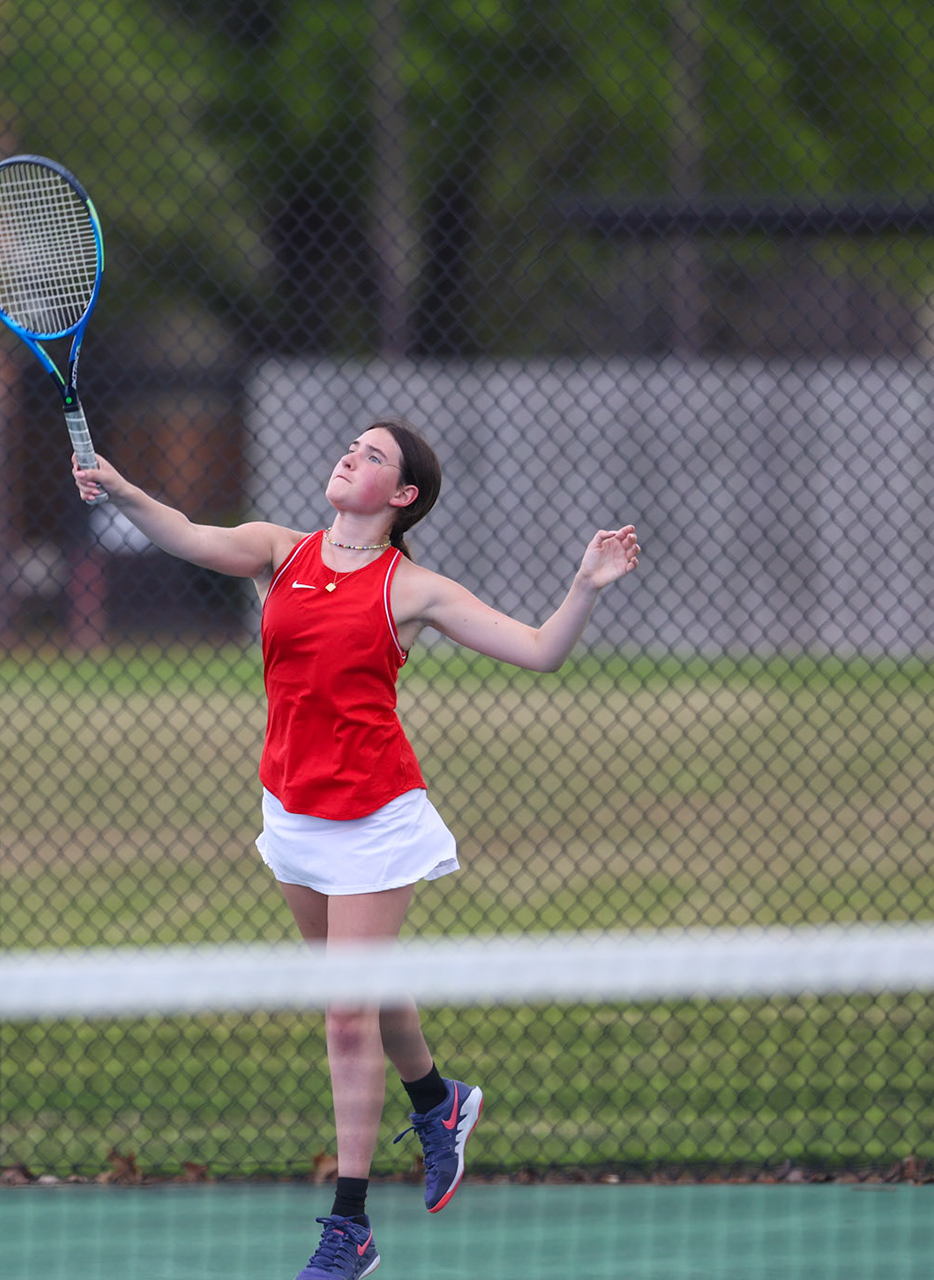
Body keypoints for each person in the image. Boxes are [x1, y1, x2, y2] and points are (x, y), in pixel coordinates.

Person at [72, 418, 640, 1280]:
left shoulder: (412, 589)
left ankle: (351, 1227)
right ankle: (438, 1102)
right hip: (293, 812)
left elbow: (538, 651)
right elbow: (187, 535)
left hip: (376, 820)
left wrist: (585, 585)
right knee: (361, 995)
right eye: (353, 446)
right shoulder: (280, 551)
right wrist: (119, 487)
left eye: (375, 456)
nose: (352, 456)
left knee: (344, 1014)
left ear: (402, 497)